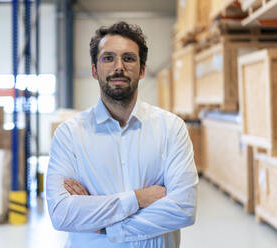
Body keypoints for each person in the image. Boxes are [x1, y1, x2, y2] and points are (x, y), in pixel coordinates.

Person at [46, 21, 198, 248]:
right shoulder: (69, 135)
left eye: (128, 58)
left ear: (142, 69)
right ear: (94, 70)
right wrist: (138, 198)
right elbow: (61, 214)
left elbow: (183, 208)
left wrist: (104, 224)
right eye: (108, 58)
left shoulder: (171, 128)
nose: (119, 67)